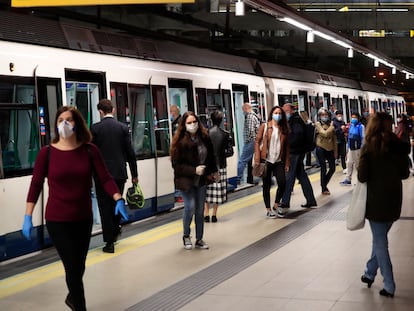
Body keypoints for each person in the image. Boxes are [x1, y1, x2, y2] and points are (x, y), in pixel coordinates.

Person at [22, 106, 128, 311]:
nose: (64, 124)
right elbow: (35, 185)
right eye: (60, 120)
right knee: (71, 266)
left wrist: (118, 198)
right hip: (57, 220)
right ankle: (80, 306)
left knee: (79, 265)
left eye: (69, 120)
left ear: (77, 123)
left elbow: (104, 177)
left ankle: (72, 296)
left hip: (83, 218)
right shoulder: (47, 153)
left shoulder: (90, 150)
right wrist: (28, 215)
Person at [358, 112, 410, 298]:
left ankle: (389, 285)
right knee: (379, 240)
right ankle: (369, 273)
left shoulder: (368, 147)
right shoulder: (399, 146)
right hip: (394, 200)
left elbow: (362, 176)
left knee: (380, 244)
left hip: (375, 201)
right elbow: (405, 174)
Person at [91, 99, 138, 253]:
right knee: (117, 203)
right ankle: (116, 227)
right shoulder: (123, 128)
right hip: (119, 173)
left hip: (102, 176)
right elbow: (130, 153)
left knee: (105, 207)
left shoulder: (95, 129)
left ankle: (109, 242)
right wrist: (134, 174)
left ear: (100, 111)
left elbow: (91, 154)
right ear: (113, 110)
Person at [170, 111, 218, 250]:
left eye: (194, 122)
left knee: (199, 210)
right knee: (190, 206)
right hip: (186, 180)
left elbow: (211, 157)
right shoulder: (179, 142)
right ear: (184, 125)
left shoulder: (204, 137)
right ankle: (186, 235)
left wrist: (213, 171)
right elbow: (177, 166)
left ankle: (199, 238)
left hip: (201, 179)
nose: (192, 125)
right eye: (189, 123)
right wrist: (194, 170)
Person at [278, 103, 317, 217]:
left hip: (294, 152)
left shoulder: (295, 121)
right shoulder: (297, 120)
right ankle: (311, 200)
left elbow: (298, 134)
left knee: (289, 176)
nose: (284, 113)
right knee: (302, 175)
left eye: (286, 110)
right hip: (298, 151)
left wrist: (288, 144)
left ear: (291, 110)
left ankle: (285, 203)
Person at [254, 106, 290, 218]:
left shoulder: (283, 128)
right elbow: (257, 142)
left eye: (279, 113)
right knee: (267, 185)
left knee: (283, 182)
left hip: (278, 160)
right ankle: (268, 209)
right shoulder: (265, 126)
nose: (278, 115)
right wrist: (257, 159)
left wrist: (287, 162)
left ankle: (276, 204)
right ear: (272, 114)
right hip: (266, 160)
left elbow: (287, 147)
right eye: (276, 113)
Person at [204, 110, 229, 223]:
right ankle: (214, 214)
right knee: (218, 190)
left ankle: (206, 213)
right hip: (221, 166)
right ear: (221, 120)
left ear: (211, 119)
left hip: (208, 166)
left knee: (207, 190)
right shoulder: (225, 134)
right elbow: (230, 151)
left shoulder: (206, 133)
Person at [237, 102, 260, 184]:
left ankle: (238, 179)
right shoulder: (255, 116)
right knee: (252, 161)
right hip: (254, 142)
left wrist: (248, 141)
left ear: (246, 108)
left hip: (251, 142)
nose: (243, 112)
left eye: (243, 110)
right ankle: (251, 179)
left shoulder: (250, 117)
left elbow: (251, 130)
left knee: (242, 160)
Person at [340, 112, 365, 185]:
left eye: (355, 117)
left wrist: (362, 147)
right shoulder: (351, 125)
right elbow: (349, 137)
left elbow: (363, 137)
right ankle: (348, 179)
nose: (353, 119)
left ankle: (360, 179)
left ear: (358, 118)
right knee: (349, 162)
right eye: (352, 117)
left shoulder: (361, 127)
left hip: (358, 148)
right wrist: (348, 147)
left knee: (358, 165)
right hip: (351, 147)